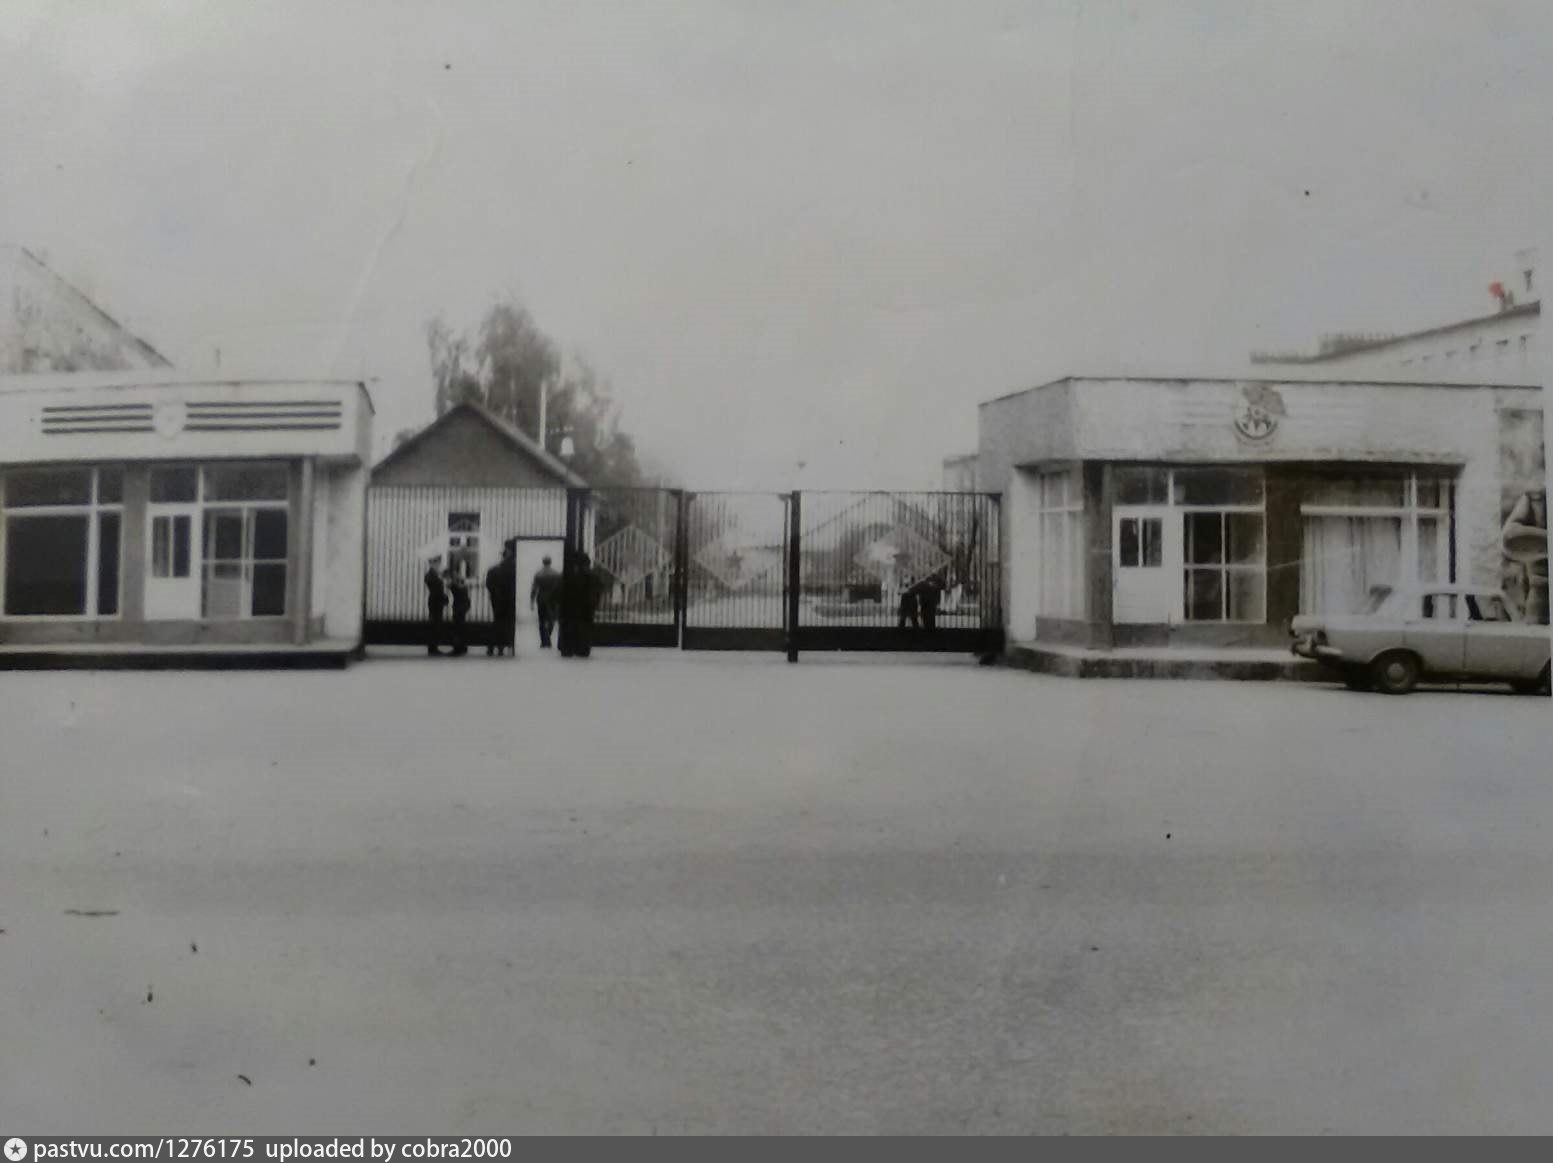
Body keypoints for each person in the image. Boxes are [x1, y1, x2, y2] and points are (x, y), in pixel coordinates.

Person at [485, 540, 518, 657]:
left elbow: (489, 584)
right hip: (508, 600)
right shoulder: (513, 568)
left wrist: (495, 594)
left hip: (497, 600)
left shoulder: (493, 569)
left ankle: (492, 647)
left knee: (497, 622)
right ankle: (502, 646)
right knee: (507, 623)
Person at [529, 553, 562, 649]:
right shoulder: (556, 574)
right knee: (552, 620)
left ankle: (544, 641)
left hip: (541, 599)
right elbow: (559, 588)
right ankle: (548, 636)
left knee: (542, 621)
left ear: (543, 562)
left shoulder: (538, 574)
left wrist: (532, 601)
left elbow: (534, 589)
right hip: (553, 599)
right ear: (550, 562)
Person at [423, 558, 448, 656]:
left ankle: (433, 646)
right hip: (435, 602)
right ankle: (433, 647)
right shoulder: (432, 575)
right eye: (437, 563)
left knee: (436, 624)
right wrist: (444, 597)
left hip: (435, 601)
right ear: (432, 563)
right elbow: (437, 590)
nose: (439, 565)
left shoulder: (433, 574)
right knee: (435, 624)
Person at [446, 567, 471, 656]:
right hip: (463, 607)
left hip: (458, 608)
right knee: (461, 628)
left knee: (457, 628)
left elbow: (449, 586)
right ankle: (463, 647)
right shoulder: (462, 585)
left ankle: (457, 648)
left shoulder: (455, 585)